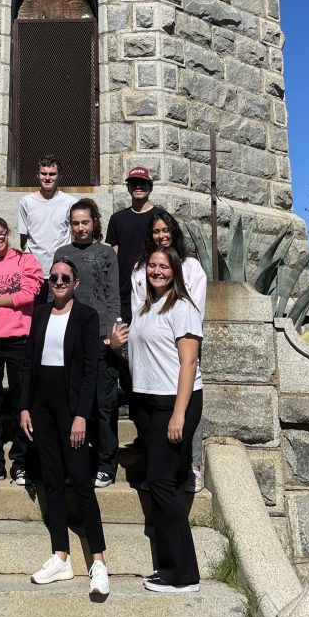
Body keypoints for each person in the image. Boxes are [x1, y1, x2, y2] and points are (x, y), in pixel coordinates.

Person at [110, 247, 203, 594]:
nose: (157, 271)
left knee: (160, 482)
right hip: (148, 402)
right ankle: (170, 566)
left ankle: (182, 574)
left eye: (164, 266)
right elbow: (140, 354)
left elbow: (189, 364)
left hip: (174, 404)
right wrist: (117, 347)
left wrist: (179, 414)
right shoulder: (145, 308)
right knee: (165, 481)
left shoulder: (183, 308)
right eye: (152, 265)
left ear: (175, 271)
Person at [20, 257, 110, 596]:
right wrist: (24, 406)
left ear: (75, 283)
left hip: (70, 406)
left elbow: (90, 371)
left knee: (81, 484)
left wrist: (81, 415)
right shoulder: (41, 313)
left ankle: (98, 561)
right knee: (52, 481)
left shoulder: (86, 316)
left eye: (64, 278)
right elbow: (29, 362)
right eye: (54, 277)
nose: (58, 282)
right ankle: (61, 555)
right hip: (41, 404)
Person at [131, 209, 207, 491]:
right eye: (156, 231)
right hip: (149, 345)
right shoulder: (141, 268)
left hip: (182, 338)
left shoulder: (190, 267)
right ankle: (161, 470)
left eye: (166, 230)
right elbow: (139, 305)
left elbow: (194, 307)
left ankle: (192, 467)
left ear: (174, 232)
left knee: (185, 404)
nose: (161, 236)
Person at [54, 198, 120, 488]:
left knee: (104, 406)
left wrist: (112, 332)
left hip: (101, 337)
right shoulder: (63, 253)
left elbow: (113, 294)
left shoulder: (106, 253)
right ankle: (77, 463)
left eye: (85, 222)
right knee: (73, 405)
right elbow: (53, 295)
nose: (80, 228)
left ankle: (106, 464)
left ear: (95, 223)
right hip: (71, 338)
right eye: (75, 223)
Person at [0, 218, 43, 486]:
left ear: (9, 233)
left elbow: (29, 294)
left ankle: (21, 463)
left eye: (0, 233)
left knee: (20, 403)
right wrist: (4, 300)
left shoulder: (26, 261)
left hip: (19, 339)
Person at [18, 155, 77, 297]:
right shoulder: (26, 202)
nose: (47, 178)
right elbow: (23, 239)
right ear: (37, 175)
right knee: (37, 314)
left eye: (52, 174)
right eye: (44, 173)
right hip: (35, 272)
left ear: (59, 176)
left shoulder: (70, 202)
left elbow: (74, 236)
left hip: (61, 271)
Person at [105, 166, 158, 323]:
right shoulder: (117, 219)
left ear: (150, 187)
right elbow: (114, 255)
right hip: (124, 293)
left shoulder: (160, 217)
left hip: (152, 292)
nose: (138, 186)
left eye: (143, 183)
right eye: (133, 183)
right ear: (128, 187)